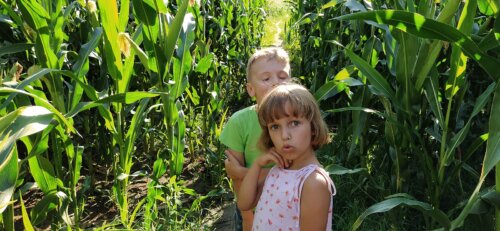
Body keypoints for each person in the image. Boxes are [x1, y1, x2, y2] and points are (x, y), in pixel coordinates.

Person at [237, 83, 336, 231]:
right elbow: (244, 203)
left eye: (294, 123)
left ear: (313, 128)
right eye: (275, 127)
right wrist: (257, 165)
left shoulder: (313, 183)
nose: (284, 136)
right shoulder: (278, 170)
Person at [219, 47, 292, 231]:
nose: (276, 83)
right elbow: (235, 178)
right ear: (251, 89)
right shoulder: (239, 123)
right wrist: (247, 217)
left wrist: (245, 172)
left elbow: (295, 173)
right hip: (252, 207)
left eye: (282, 77)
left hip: (290, 204)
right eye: (266, 79)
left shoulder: (298, 122)